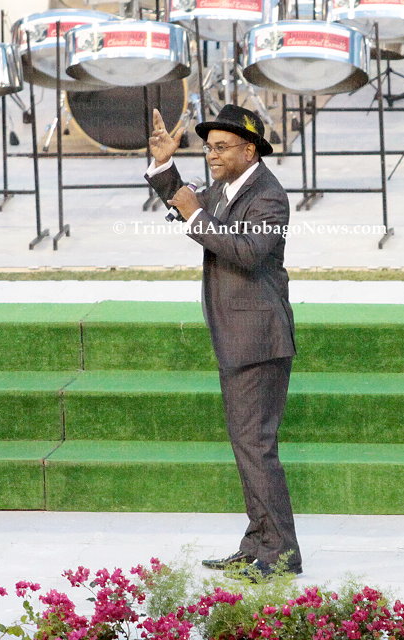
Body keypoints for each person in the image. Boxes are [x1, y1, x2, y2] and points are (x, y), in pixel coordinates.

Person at [145, 104, 302, 580]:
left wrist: (195, 213)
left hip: (259, 340)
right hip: (238, 337)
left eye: (221, 147)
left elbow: (247, 252)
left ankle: (279, 555)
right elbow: (186, 201)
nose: (211, 155)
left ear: (249, 150)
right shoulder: (225, 188)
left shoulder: (268, 196)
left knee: (256, 446)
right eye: (208, 147)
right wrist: (164, 166)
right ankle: (258, 544)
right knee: (248, 446)